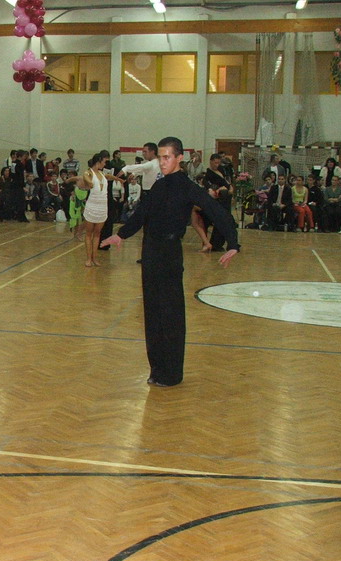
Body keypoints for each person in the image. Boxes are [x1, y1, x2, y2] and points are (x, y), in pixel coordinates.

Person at [101, 136, 239, 387]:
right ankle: (157, 369)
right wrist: (121, 234)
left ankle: (172, 373)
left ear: (179, 158)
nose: (162, 162)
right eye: (160, 157)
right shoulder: (158, 185)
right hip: (150, 252)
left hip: (169, 254)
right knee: (152, 313)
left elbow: (216, 210)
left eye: (167, 157)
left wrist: (233, 243)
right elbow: (142, 213)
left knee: (170, 314)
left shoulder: (187, 186)